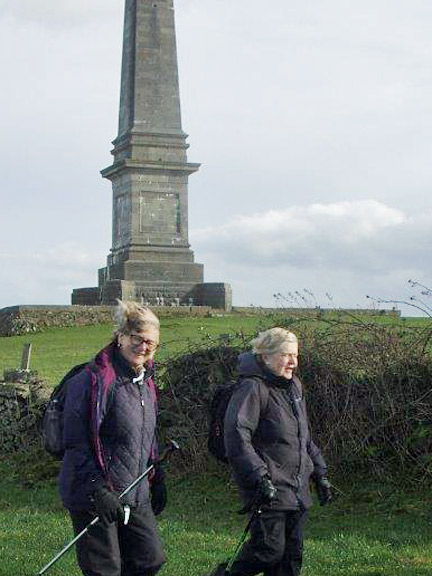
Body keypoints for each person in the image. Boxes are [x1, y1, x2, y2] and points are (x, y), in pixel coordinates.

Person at [59, 300, 166, 576]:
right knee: (105, 570)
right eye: (137, 338)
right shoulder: (94, 379)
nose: (143, 347)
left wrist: (156, 476)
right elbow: (75, 442)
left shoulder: (146, 381)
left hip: (134, 491)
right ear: (120, 336)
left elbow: (145, 434)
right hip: (94, 492)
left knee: (149, 560)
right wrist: (97, 488)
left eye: (151, 343)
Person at [224, 328, 333, 576]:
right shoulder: (252, 388)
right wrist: (259, 477)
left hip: (297, 488)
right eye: (285, 355)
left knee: (291, 558)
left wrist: (320, 473)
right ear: (265, 357)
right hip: (268, 487)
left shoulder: (294, 387)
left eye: (295, 355)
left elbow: (303, 437)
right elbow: (237, 435)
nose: (293, 362)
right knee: (268, 550)